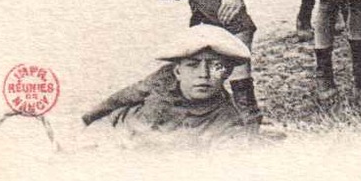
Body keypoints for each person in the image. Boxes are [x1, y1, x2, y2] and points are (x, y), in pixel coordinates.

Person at [81, 25, 258, 144]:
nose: (203, 74)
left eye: (215, 66)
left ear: (226, 73)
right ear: (177, 71)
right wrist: (88, 118)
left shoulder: (228, 122)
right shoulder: (161, 82)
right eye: (192, 65)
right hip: (113, 131)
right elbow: (125, 96)